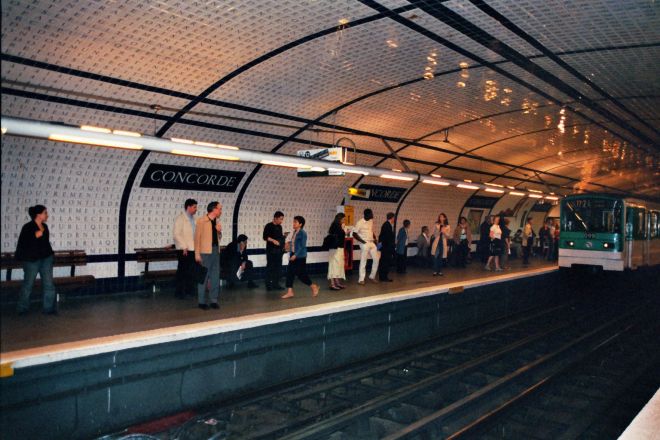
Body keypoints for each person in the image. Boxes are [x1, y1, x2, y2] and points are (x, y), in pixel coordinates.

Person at [15, 205, 57, 315]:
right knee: (28, 284)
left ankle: (48, 309)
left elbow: (45, 243)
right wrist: (35, 236)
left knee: (49, 284)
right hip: (31, 260)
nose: (47, 215)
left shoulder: (45, 227)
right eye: (45, 213)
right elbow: (24, 244)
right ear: (38, 215)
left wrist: (50, 256)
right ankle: (22, 308)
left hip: (46, 258)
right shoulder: (27, 227)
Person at [281, 216, 319, 299]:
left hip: (300, 256)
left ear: (300, 224)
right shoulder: (295, 232)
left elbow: (302, 246)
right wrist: (288, 244)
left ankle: (313, 286)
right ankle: (290, 292)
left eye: (295, 222)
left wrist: (296, 255)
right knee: (290, 273)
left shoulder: (303, 233)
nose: (293, 223)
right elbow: (294, 244)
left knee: (301, 274)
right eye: (293, 221)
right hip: (293, 255)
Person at [194, 201, 222, 310]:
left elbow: (218, 238)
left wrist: (219, 232)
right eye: (219, 208)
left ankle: (213, 300)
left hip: (215, 251)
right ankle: (201, 301)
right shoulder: (201, 221)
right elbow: (197, 239)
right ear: (214, 209)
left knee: (215, 276)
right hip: (205, 252)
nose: (220, 211)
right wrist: (197, 254)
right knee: (203, 277)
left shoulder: (217, 221)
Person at [173, 198, 197, 299]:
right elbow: (176, 234)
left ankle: (189, 292)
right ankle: (180, 293)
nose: (196, 209)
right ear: (188, 207)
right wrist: (183, 246)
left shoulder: (194, 220)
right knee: (183, 272)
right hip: (184, 250)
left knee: (191, 272)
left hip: (192, 249)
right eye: (194, 207)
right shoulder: (180, 219)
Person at [353, 209, 380, 285]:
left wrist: (375, 239)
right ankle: (361, 279)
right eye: (371, 214)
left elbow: (371, 231)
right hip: (364, 243)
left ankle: (372, 276)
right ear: (366, 214)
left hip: (371, 242)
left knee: (376, 259)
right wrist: (362, 242)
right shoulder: (360, 222)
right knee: (363, 261)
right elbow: (354, 234)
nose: (372, 215)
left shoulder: (371, 221)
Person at [263, 211, 286, 291]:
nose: (281, 221)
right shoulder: (268, 226)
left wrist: (283, 238)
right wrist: (273, 240)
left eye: (282, 219)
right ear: (275, 218)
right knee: (270, 267)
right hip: (271, 250)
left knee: (278, 267)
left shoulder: (280, 227)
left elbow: (279, 237)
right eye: (280, 219)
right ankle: (268, 285)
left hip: (278, 251)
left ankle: (276, 284)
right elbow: (265, 237)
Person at [327, 213, 347, 290]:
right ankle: (332, 284)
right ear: (340, 219)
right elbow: (340, 235)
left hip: (338, 249)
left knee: (338, 265)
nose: (344, 220)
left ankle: (337, 282)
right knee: (334, 266)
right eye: (343, 219)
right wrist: (343, 229)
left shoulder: (336, 226)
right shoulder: (337, 226)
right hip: (336, 249)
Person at [378, 212, 396, 282]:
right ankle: (384, 277)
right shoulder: (387, 225)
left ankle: (383, 277)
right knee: (385, 263)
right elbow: (387, 238)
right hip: (386, 248)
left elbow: (381, 236)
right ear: (392, 218)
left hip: (385, 247)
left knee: (384, 262)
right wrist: (391, 248)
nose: (394, 219)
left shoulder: (386, 224)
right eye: (394, 218)